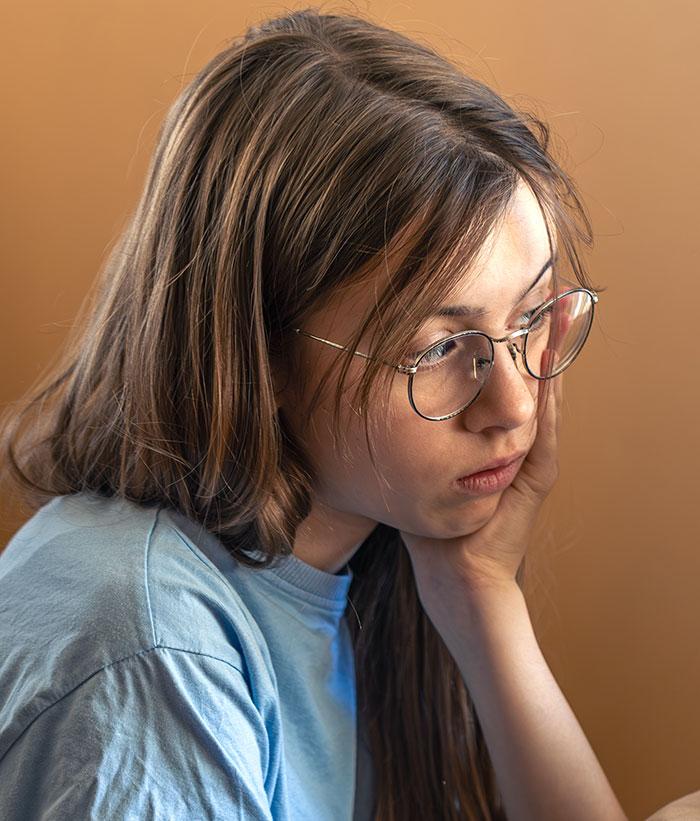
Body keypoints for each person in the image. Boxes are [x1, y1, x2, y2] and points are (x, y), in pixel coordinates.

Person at [0, 9, 630, 820]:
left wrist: (481, 597)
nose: (514, 404)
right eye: (439, 349)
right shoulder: (153, 653)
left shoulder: (363, 553)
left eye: (533, 315)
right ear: (260, 355)